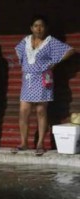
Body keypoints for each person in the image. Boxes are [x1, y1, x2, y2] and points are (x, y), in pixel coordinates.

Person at [12, 15, 75, 156]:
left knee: (41, 111)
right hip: (27, 80)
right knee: (24, 112)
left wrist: (54, 63)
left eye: (41, 26)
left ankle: (40, 143)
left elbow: (70, 50)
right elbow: (20, 55)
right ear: (31, 28)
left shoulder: (50, 42)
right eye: (35, 26)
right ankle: (24, 142)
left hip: (42, 79)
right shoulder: (26, 41)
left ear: (46, 28)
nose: (38, 29)